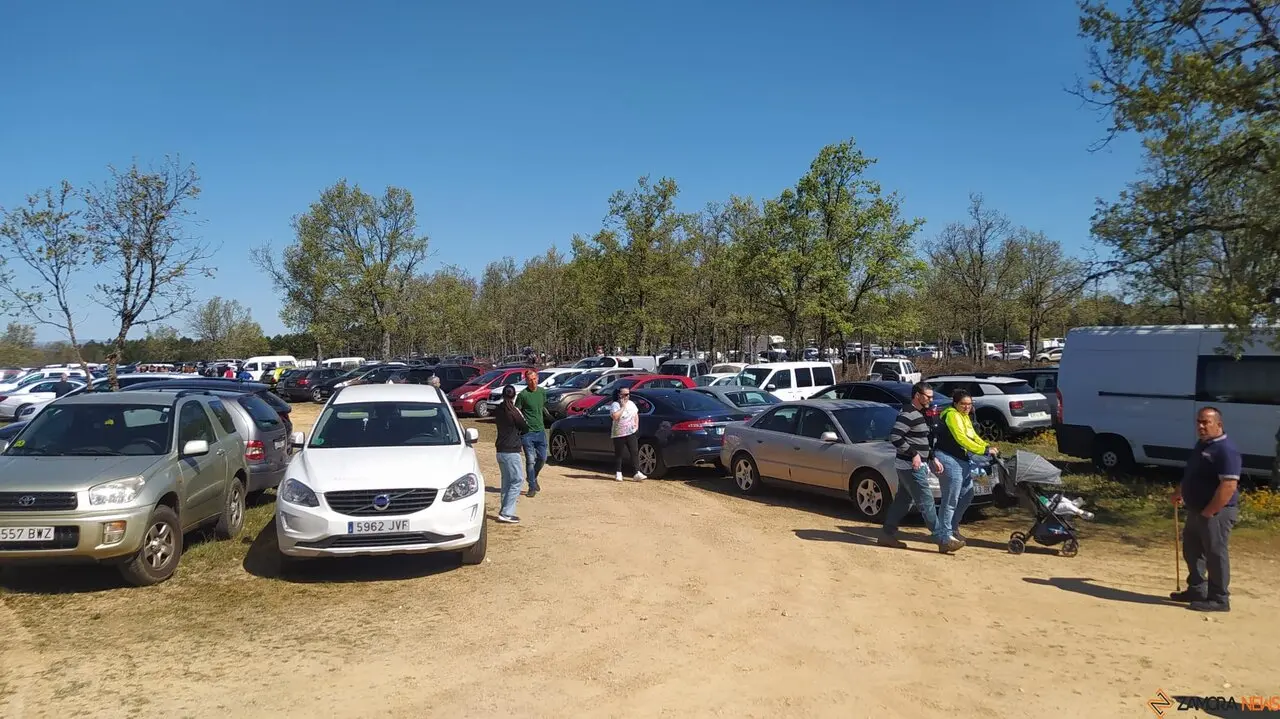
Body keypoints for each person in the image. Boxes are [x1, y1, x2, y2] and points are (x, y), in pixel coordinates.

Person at [1171, 407, 1240, 612]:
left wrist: (1210, 511)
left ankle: (1219, 598)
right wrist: (1180, 491)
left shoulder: (1226, 450)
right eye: (1199, 422)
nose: (1201, 426)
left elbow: (1228, 485)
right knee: (1192, 550)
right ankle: (1197, 589)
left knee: (1215, 553)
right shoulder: (1201, 446)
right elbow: (1192, 474)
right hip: (1196, 509)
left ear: (1219, 424)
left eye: (1206, 422)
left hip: (1216, 512)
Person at [879, 383, 957, 551]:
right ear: (917, 395)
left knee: (903, 501)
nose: (931, 399)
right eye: (927, 396)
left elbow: (921, 440)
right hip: (910, 465)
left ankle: (887, 534)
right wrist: (913, 454)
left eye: (931, 396)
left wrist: (931, 458)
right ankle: (942, 539)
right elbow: (895, 436)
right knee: (926, 500)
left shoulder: (920, 414)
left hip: (914, 464)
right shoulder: (908, 413)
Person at [933, 389, 998, 553]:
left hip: (961, 459)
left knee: (968, 493)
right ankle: (944, 538)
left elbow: (973, 436)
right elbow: (961, 438)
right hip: (948, 458)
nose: (967, 407)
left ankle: (952, 529)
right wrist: (982, 451)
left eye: (969, 404)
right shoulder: (952, 415)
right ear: (955, 403)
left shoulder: (964, 416)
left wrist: (986, 447)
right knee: (950, 499)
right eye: (963, 404)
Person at [493, 384, 528, 524]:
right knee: (518, 480)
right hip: (511, 450)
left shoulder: (499, 409)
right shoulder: (513, 411)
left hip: (500, 449)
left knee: (507, 481)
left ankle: (504, 511)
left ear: (503, 394)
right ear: (514, 396)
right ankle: (507, 512)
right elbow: (525, 426)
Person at [514, 369, 548, 498]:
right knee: (530, 460)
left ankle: (532, 477)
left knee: (543, 458)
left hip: (540, 430)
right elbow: (517, 412)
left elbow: (542, 407)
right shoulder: (523, 395)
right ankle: (532, 487)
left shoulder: (542, 392)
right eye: (530, 380)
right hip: (527, 433)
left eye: (534, 379)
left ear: (537, 378)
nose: (533, 382)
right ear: (526, 381)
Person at [609, 386, 644, 482]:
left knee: (634, 451)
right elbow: (615, 417)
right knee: (619, 453)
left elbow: (635, 414)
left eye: (628, 394)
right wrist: (623, 406)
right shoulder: (615, 405)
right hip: (619, 433)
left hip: (630, 432)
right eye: (624, 394)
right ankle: (618, 472)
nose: (627, 396)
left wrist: (636, 425)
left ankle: (637, 472)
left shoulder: (632, 404)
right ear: (619, 395)